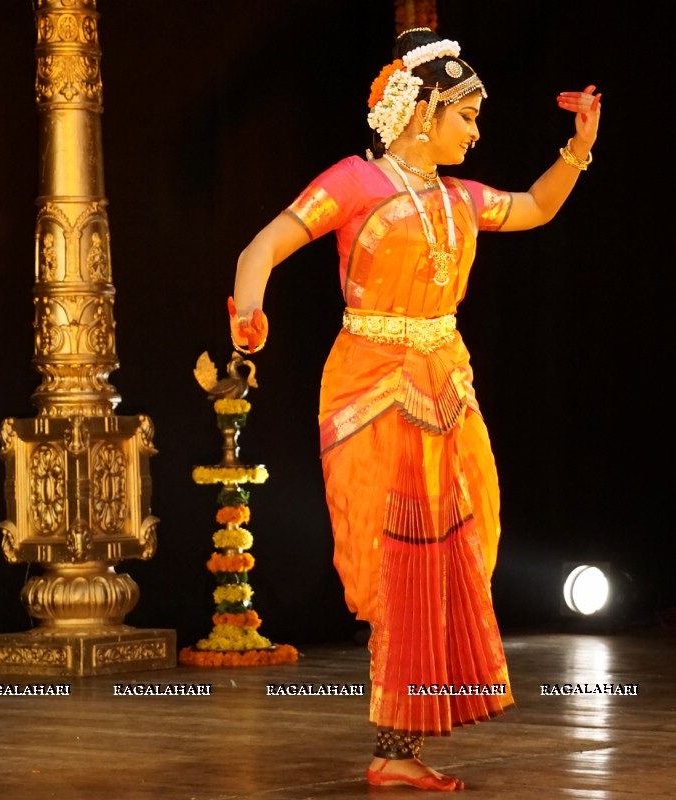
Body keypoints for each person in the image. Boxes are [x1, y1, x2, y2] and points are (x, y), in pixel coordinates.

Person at [229, 27, 600, 792]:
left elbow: (532, 207)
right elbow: (261, 246)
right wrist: (250, 312)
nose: (474, 130)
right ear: (421, 112)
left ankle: (399, 745)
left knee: (459, 550)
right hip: (373, 384)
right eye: (465, 115)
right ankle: (393, 748)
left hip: (446, 384)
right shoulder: (354, 184)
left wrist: (578, 147)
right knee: (393, 561)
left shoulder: (460, 198)